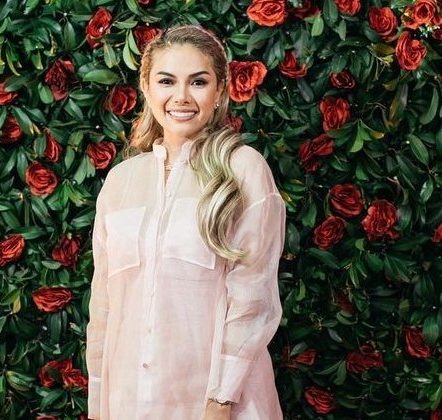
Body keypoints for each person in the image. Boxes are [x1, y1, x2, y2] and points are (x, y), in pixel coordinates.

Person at [86, 25, 286, 420]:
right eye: (166, 81)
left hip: (219, 403)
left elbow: (252, 297)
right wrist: (98, 402)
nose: (181, 97)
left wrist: (220, 401)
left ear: (220, 90)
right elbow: (104, 305)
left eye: (198, 81)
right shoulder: (121, 181)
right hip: (128, 402)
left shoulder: (243, 170)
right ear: (146, 87)